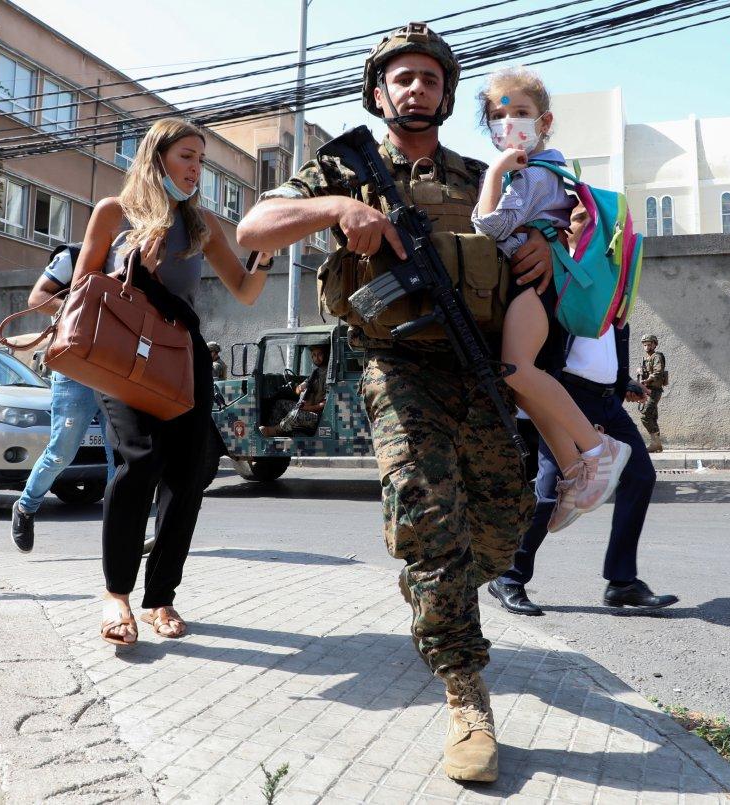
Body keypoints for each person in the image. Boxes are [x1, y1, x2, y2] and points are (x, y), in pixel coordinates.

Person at [237, 23, 553, 783]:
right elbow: (252, 227)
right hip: (397, 364)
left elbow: (528, 252)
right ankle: (466, 689)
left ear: (446, 94)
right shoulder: (344, 168)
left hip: (478, 368)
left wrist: (541, 249)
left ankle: (430, 581)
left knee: (507, 518)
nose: (416, 89)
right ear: (380, 93)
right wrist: (337, 210)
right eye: (401, 79)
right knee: (425, 505)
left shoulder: (486, 175)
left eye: (429, 79)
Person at [70, 117, 272, 647]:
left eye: (201, 160)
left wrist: (267, 251)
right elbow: (82, 286)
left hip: (181, 357)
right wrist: (132, 268)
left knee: (187, 478)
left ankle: (161, 597)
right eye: (187, 156)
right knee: (139, 461)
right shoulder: (115, 213)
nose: (195, 168)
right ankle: (117, 594)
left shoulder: (202, 222)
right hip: (122, 355)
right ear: (157, 156)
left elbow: (246, 290)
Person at [488, 220, 679, 616]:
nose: (588, 225)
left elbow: (609, 338)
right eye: (576, 218)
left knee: (640, 476)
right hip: (567, 397)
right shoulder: (555, 271)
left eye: (592, 220)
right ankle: (508, 576)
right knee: (552, 489)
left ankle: (621, 582)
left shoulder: (611, 277)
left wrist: (623, 379)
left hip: (608, 399)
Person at [471, 67, 630, 532]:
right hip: (538, 287)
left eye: (521, 112)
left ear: (545, 121)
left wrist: (496, 173)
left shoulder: (534, 172)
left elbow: (491, 227)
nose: (509, 122)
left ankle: (598, 451)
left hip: (534, 288)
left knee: (517, 370)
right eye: (498, 116)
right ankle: (575, 469)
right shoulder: (540, 170)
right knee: (522, 380)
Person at [9, 244, 115, 553]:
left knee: (119, 456)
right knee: (62, 451)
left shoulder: (134, 256)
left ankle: (119, 530)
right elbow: (37, 297)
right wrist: (85, 311)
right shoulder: (72, 256)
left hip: (113, 369)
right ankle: (26, 507)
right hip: (74, 367)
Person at [259, 343, 327, 437]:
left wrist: (308, 408)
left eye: (319, 354)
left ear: (325, 355)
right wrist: (300, 388)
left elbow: (326, 403)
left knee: (295, 414)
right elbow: (299, 389)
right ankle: (272, 430)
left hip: (319, 416)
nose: (316, 358)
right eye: (314, 355)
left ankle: (275, 431)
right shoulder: (316, 372)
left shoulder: (328, 375)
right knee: (280, 404)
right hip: (307, 408)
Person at [637, 334, 666, 453]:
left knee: (645, 416)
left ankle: (655, 443)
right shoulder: (646, 358)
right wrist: (640, 371)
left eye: (649, 344)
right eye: (645, 344)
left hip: (654, 391)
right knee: (652, 416)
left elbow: (658, 372)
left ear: (654, 344)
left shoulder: (657, 356)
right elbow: (645, 373)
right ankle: (656, 444)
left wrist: (647, 380)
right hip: (648, 390)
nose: (647, 346)